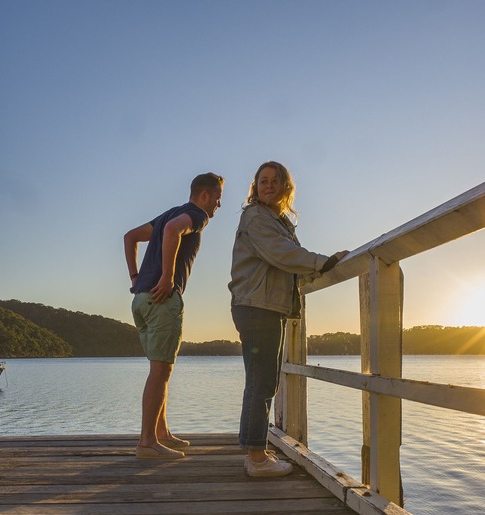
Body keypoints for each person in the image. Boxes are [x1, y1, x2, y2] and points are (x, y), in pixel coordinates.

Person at [229, 161, 346, 477]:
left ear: (284, 187)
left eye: (274, 181)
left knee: (262, 379)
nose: (268, 185)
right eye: (262, 181)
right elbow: (282, 254)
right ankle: (256, 458)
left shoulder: (276, 219)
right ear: (256, 186)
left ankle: (254, 451)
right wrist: (324, 262)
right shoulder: (255, 217)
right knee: (261, 381)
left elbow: (284, 260)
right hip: (257, 307)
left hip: (264, 306)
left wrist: (313, 268)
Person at [124, 172, 224, 459]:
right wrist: (168, 277)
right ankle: (147, 443)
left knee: (160, 368)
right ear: (205, 195)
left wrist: (135, 277)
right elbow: (172, 231)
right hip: (162, 298)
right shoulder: (196, 215)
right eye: (217, 199)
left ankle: (161, 432)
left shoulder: (171, 212)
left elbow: (130, 237)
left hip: (141, 299)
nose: (218, 206)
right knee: (161, 371)